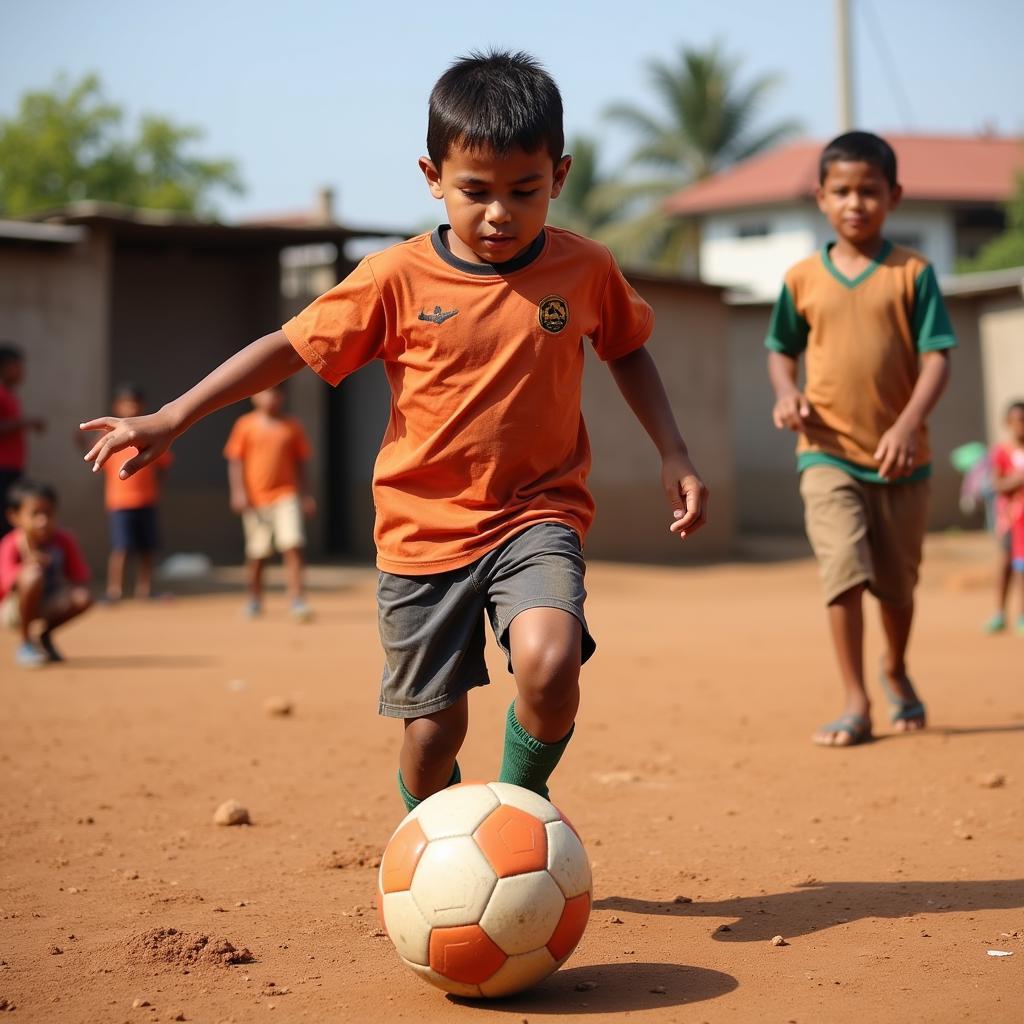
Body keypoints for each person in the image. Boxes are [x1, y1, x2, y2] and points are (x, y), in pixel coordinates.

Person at [81, 50, 708, 811]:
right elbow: (288, 347)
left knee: (550, 665)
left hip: (536, 514)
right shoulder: (393, 279)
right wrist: (172, 415)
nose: (499, 213)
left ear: (561, 176)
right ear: (432, 177)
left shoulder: (585, 269)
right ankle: (428, 837)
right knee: (433, 733)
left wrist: (673, 449)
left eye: (525, 190)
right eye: (475, 192)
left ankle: (514, 811)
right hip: (420, 533)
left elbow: (628, 347)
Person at [766, 131, 956, 747]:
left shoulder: (913, 275)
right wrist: (786, 393)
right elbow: (780, 351)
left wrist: (906, 425)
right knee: (842, 570)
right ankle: (855, 700)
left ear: (894, 196)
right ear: (821, 197)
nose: (856, 203)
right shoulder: (801, 279)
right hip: (825, 452)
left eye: (869, 191)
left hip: (901, 461)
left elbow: (937, 360)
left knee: (897, 588)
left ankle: (896, 667)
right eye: (842, 191)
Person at [223, 386, 315, 621]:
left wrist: (306, 495)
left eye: (275, 393)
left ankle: (297, 599)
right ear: (254, 397)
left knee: (293, 544)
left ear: (281, 397)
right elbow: (235, 461)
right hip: (256, 500)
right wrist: (238, 493)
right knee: (258, 552)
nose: (270, 398)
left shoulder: (292, 426)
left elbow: (301, 463)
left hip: (286, 495)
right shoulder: (245, 425)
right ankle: (254, 598)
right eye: (265, 393)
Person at [1, 480, 92, 668]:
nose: (42, 521)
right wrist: (28, 566)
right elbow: (7, 582)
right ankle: (26, 642)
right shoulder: (10, 544)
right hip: (14, 610)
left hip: (50, 602)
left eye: (48, 514)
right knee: (32, 576)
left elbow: (80, 578)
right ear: (14, 517)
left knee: (83, 597)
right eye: (35, 514)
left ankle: (45, 637)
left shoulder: (64, 540)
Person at [99, 384, 173, 601]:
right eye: (126, 403)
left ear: (142, 406)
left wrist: (157, 490)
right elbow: (99, 459)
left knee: (148, 548)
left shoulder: (150, 435)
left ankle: (145, 589)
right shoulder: (110, 438)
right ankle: (115, 590)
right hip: (120, 503)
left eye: (135, 403)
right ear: (117, 407)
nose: (131, 407)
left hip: (147, 501)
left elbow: (163, 464)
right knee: (121, 548)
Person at [984, 400, 1024, 634]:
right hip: (1010, 519)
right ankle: (999, 612)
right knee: (1006, 563)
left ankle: (1021, 615)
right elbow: (997, 484)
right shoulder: (1002, 452)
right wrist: (1016, 481)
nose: (1020, 425)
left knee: (1022, 567)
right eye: (1015, 420)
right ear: (1007, 423)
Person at [0, 343, 47, 538]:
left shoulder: (12, 395)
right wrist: (25, 423)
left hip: (13, 469)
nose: (22, 372)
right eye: (17, 366)